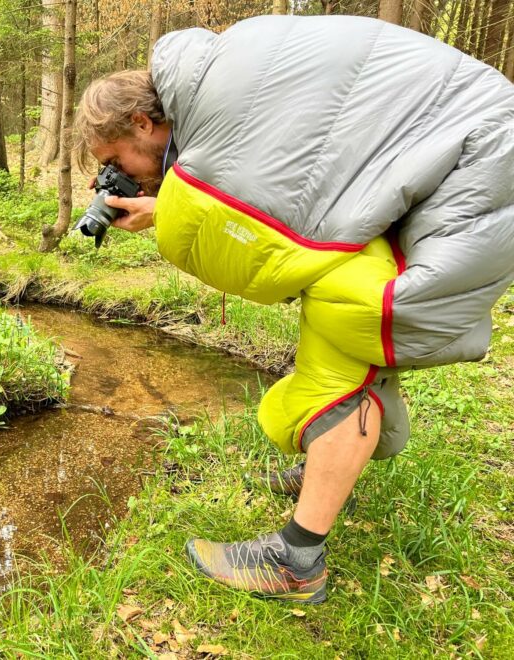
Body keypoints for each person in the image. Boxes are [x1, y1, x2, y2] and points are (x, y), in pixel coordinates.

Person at [73, 14, 514, 604]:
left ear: (144, 122)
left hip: (481, 162)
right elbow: (309, 184)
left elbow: (258, 244)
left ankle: (296, 561)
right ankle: (324, 477)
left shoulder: (230, 97)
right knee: (347, 304)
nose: (126, 175)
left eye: (119, 158)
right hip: (472, 144)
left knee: (353, 320)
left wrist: (171, 213)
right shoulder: (226, 77)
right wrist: (161, 205)